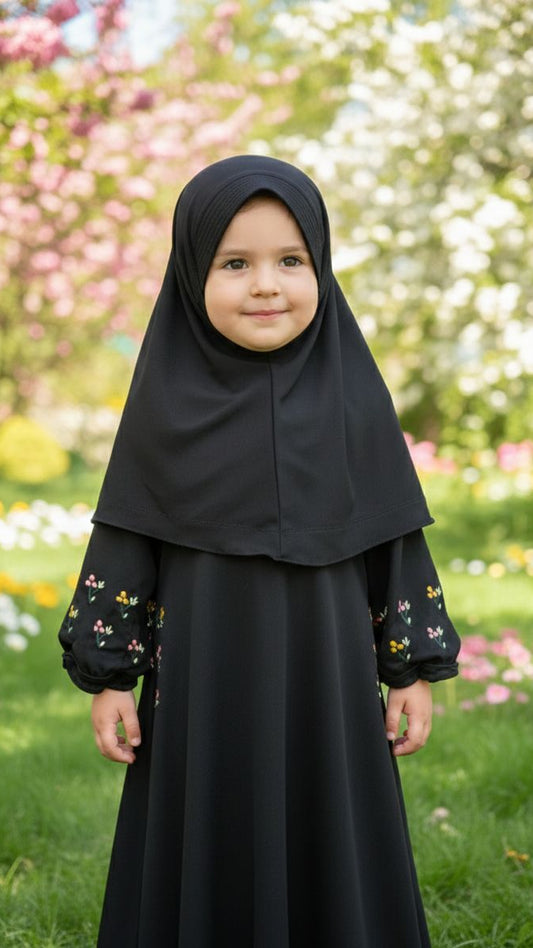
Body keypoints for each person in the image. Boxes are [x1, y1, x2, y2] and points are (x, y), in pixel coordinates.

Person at [59, 154, 460, 948]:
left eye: (291, 261)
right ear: (189, 274)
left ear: (322, 266)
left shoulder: (352, 398)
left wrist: (408, 669)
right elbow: (128, 536)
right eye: (234, 264)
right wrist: (107, 679)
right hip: (200, 688)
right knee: (208, 823)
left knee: (330, 826)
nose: (266, 284)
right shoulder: (164, 407)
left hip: (330, 687)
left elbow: (391, 532)